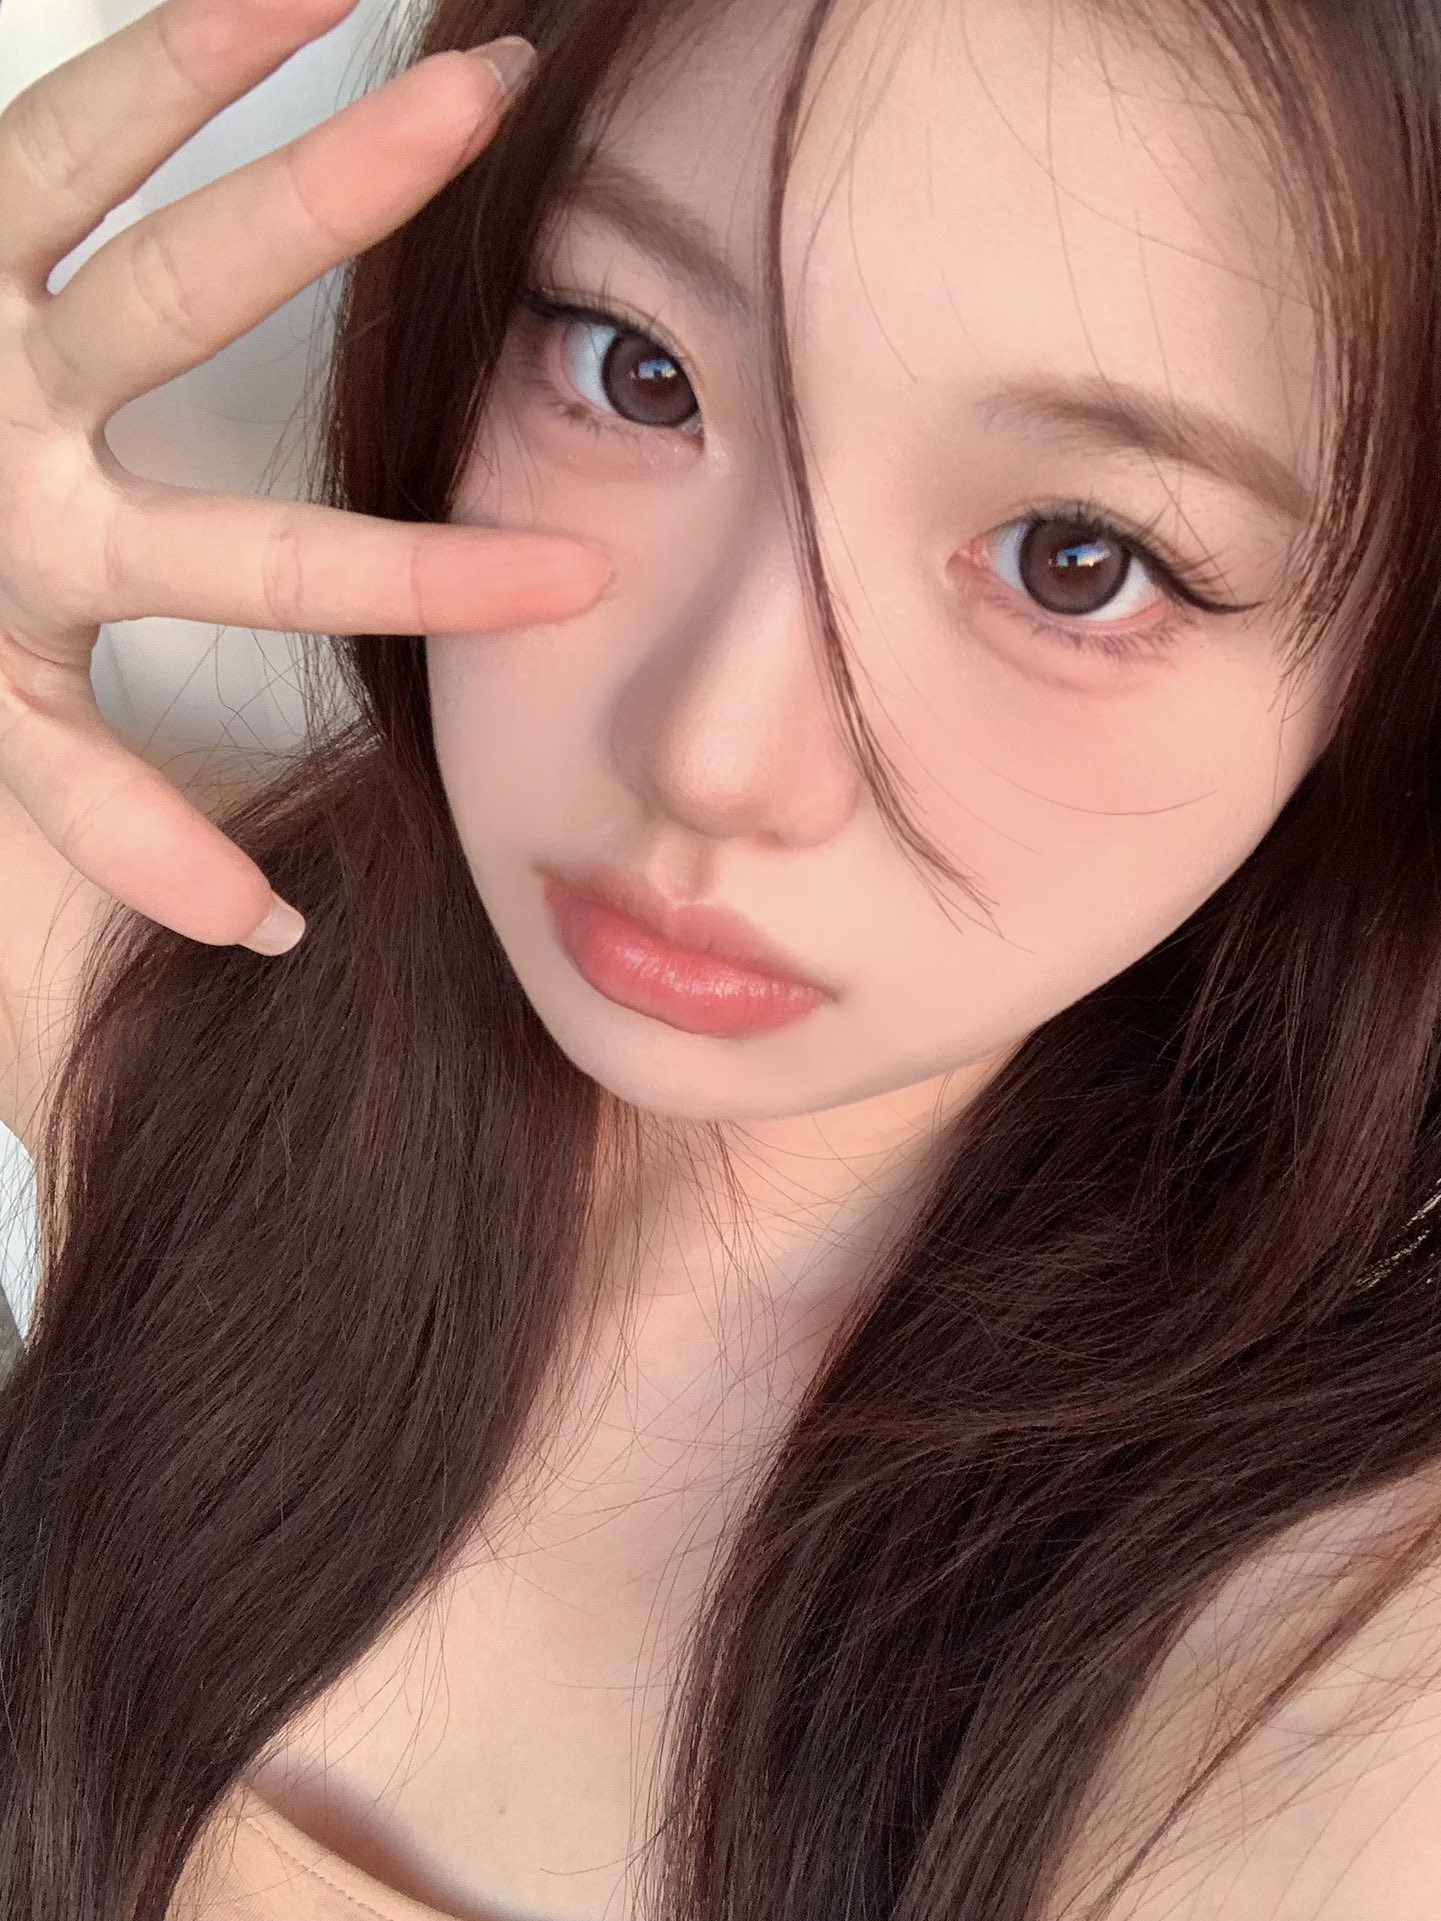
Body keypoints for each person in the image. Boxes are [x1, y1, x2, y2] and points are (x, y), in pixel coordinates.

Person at [2, 0, 1441, 1916]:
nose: (709, 753)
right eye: (636, 369)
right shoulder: (221, 1037)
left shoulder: (1343, 1685)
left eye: (1075, 559)